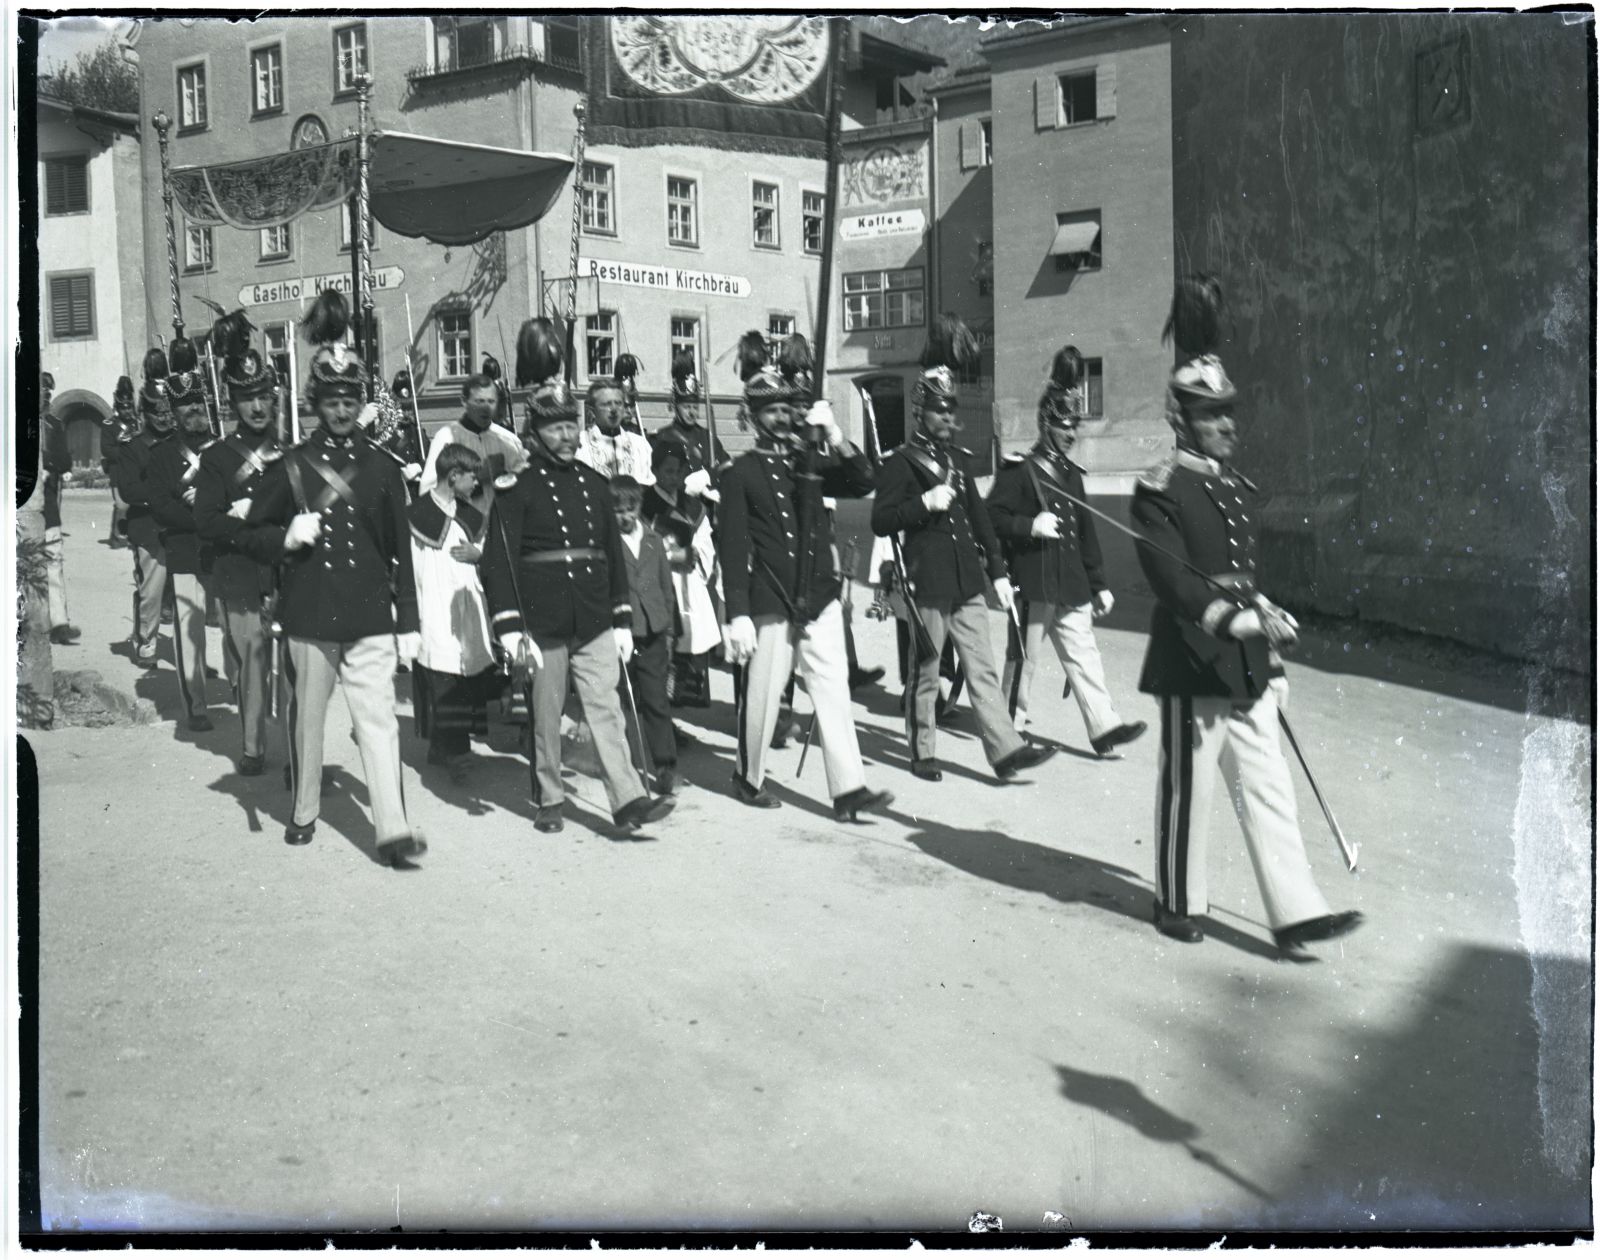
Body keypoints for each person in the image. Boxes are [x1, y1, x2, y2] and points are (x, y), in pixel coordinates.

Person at [1134, 275, 1362, 953]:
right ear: (1181, 417)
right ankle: (1177, 900)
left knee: (1269, 784)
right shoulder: (1159, 489)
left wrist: (1269, 636)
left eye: (1229, 410)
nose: (1228, 423)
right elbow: (1173, 580)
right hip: (1192, 653)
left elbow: (1243, 576)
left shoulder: (1233, 487)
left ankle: (1296, 911)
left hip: (1246, 657)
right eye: (1212, 414)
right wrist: (1230, 621)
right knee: (1191, 785)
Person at [236, 290, 426, 866]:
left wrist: (410, 622)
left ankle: (392, 830)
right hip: (310, 613)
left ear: (361, 401)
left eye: (350, 399)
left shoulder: (384, 470)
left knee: (378, 723)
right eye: (331, 399)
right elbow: (245, 534)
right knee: (308, 722)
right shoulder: (291, 466)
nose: (341, 410)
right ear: (314, 401)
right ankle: (304, 810)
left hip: (369, 614)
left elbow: (403, 553)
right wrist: (284, 536)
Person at [479, 316, 674, 836]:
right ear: (537, 433)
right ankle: (548, 796)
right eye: (554, 428)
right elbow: (498, 560)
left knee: (606, 708)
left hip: (592, 618)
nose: (566, 436)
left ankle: (628, 798)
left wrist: (620, 617)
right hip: (540, 621)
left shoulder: (593, 483)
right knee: (546, 715)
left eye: (570, 426)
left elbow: (610, 554)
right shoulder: (515, 487)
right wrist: (509, 627)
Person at [716, 333, 892, 821]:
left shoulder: (807, 461)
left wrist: (834, 435)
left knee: (833, 689)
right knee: (765, 691)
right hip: (771, 593)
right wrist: (738, 615)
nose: (782, 417)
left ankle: (848, 788)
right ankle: (747, 776)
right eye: (770, 411)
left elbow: (863, 481)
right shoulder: (741, 472)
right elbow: (734, 548)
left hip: (818, 592)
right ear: (754, 416)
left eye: (786, 409)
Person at [871, 316, 1054, 785]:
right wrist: (922, 503)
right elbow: (881, 520)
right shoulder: (900, 463)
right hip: (927, 581)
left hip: (966, 580)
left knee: (983, 668)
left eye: (952, 411)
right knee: (927, 667)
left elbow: (979, 521)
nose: (949, 420)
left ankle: (1005, 750)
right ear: (921, 413)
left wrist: (997, 574)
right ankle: (922, 749)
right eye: (940, 412)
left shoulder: (957, 462)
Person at [988, 345, 1146, 756]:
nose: (1071, 434)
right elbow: (991, 519)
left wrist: (1100, 584)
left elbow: (1085, 532)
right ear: (1045, 424)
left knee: (1085, 658)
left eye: (1075, 426)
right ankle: (1009, 730)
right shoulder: (1020, 470)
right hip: (1035, 583)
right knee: (1024, 661)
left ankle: (1104, 726)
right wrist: (1029, 525)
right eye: (1063, 427)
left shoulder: (1072, 476)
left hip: (1071, 585)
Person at [193, 314, 284, 774]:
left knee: (290, 669)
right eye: (247, 398)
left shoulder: (289, 454)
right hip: (240, 575)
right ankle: (253, 747)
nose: (257, 407)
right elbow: (204, 520)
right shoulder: (218, 458)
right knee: (249, 664)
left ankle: (295, 752)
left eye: (263, 397)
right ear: (233, 402)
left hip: (286, 574)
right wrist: (241, 522)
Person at [408, 442, 497, 783]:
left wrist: (480, 556)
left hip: (468, 606)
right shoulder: (418, 514)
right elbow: (412, 566)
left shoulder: (469, 513)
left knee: (465, 676)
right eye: (472, 476)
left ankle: (444, 746)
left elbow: (484, 553)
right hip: (433, 603)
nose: (477, 482)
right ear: (454, 475)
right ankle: (456, 753)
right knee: (443, 677)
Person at [144, 339, 220, 730]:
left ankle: (243, 693)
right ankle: (197, 706)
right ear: (173, 412)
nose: (194, 412)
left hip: (223, 552)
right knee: (190, 632)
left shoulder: (221, 449)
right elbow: (161, 507)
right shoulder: (160, 456)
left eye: (198, 405)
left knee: (237, 631)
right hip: (187, 551)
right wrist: (201, 513)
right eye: (186, 407)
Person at [611, 474, 679, 794]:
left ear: (639, 506)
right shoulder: (606, 542)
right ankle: (625, 763)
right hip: (622, 631)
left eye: (631, 508)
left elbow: (666, 587)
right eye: (618, 510)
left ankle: (665, 765)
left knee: (655, 699)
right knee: (623, 700)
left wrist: (668, 629)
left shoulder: (652, 540)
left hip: (652, 631)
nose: (625, 516)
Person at [111, 349, 178, 668]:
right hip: (150, 529)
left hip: (183, 527)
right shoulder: (133, 446)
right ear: (146, 412)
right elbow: (128, 490)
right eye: (158, 412)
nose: (165, 418)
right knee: (152, 592)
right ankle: (147, 639)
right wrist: (162, 493)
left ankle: (191, 652)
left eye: (168, 411)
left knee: (189, 596)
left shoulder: (181, 442)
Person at [641, 439, 720, 709]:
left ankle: (674, 710)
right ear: (655, 470)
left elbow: (704, 540)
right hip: (656, 584)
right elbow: (636, 543)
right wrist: (672, 556)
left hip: (688, 584)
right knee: (661, 652)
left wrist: (696, 558)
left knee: (685, 652)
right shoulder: (644, 502)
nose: (674, 478)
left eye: (679, 471)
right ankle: (657, 713)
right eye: (668, 471)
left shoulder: (693, 506)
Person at [418, 369, 529, 513]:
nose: (486, 407)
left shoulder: (508, 440)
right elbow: (428, 493)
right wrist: (478, 477)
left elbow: (526, 489)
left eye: (491, 401)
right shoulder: (446, 438)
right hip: (461, 526)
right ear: (464, 401)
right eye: (479, 401)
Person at [651, 348, 730, 500]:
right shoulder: (661, 438)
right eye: (686, 407)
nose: (692, 412)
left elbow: (727, 468)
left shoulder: (707, 437)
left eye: (695, 407)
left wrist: (711, 476)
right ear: (676, 406)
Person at [39, 370, 80, 645]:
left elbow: (64, 460)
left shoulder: (53, 424)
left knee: (53, 560)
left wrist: (50, 466)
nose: (44, 397)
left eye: (46, 393)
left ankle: (59, 622)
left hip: (49, 504)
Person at [577, 377, 655, 484]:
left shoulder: (640, 445)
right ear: (592, 411)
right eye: (606, 404)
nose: (614, 410)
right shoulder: (581, 445)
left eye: (618, 403)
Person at [102, 374, 138, 548]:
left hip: (136, 472)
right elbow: (107, 449)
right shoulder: (109, 425)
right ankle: (117, 537)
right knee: (122, 505)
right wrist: (127, 451)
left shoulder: (138, 424)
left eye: (129, 407)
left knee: (136, 505)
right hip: (118, 472)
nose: (127, 411)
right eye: (123, 407)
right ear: (117, 407)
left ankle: (131, 536)